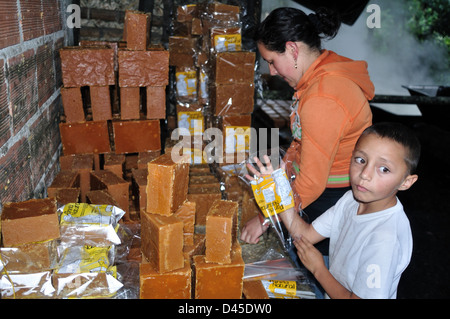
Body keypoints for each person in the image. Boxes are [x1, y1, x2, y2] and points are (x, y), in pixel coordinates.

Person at [240, 7, 375, 257]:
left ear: (292, 49)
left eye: (271, 61)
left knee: (316, 269)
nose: (271, 71)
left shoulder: (323, 95)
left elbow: (312, 182)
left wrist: (265, 218)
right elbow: (303, 140)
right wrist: (283, 170)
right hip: (327, 191)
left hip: (329, 199)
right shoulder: (322, 73)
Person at [248, 122, 420, 298]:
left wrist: (318, 269)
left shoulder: (384, 239)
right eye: (361, 160)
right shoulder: (350, 201)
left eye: (384, 169)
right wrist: (277, 193)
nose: (365, 174)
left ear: (406, 182)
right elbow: (305, 235)